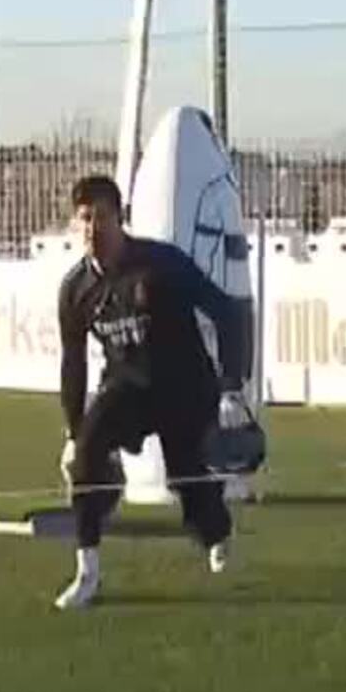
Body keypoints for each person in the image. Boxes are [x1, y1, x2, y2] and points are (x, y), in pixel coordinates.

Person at [53, 174, 253, 609]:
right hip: (128, 387)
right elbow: (74, 363)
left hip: (186, 386)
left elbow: (228, 312)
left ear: (120, 219)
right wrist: (72, 431)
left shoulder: (162, 263)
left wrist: (232, 388)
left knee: (189, 484)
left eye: (102, 217)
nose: (93, 228)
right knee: (87, 451)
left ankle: (217, 531)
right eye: (85, 219)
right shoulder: (75, 290)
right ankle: (88, 571)